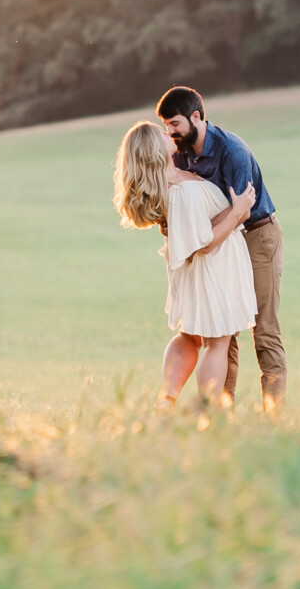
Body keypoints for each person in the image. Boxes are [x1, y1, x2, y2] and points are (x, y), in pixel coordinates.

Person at [112, 118, 257, 410]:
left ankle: (166, 402)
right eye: (161, 133)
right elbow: (205, 242)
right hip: (212, 268)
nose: (168, 134)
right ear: (155, 149)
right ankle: (208, 410)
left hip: (197, 271)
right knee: (216, 342)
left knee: (189, 336)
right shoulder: (181, 191)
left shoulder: (175, 179)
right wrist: (238, 211)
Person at [157, 84, 285, 412]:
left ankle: (274, 414)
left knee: (264, 328)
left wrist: (198, 237)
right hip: (221, 242)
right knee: (222, 328)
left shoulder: (232, 150)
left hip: (256, 235)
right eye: (167, 126)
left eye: (175, 124)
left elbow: (241, 208)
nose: (170, 132)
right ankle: (221, 415)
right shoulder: (181, 152)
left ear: (196, 117)